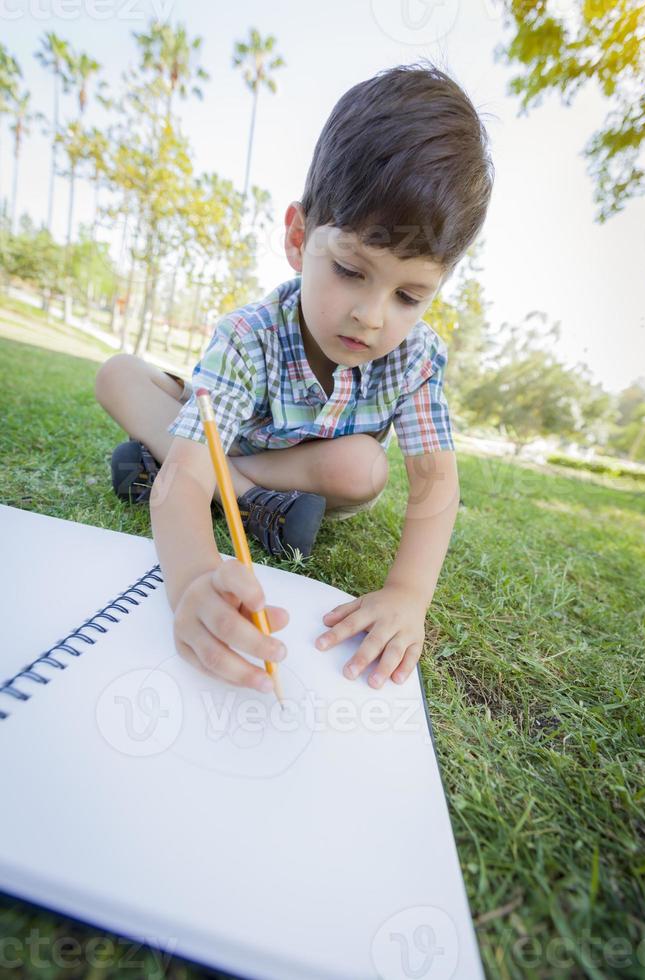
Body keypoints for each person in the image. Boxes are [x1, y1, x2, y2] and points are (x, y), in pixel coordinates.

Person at [94, 61, 494, 694]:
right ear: (298, 236)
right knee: (116, 373)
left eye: (409, 295)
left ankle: (233, 489)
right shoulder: (250, 335)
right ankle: (249, 502)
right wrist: (195, 577)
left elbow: (434, 480)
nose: (371, 315)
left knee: (364, 469)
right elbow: (186, 477)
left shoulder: (414, 358)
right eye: (351, 271)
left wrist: (408, 593)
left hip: (302, 467)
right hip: (222, 439)